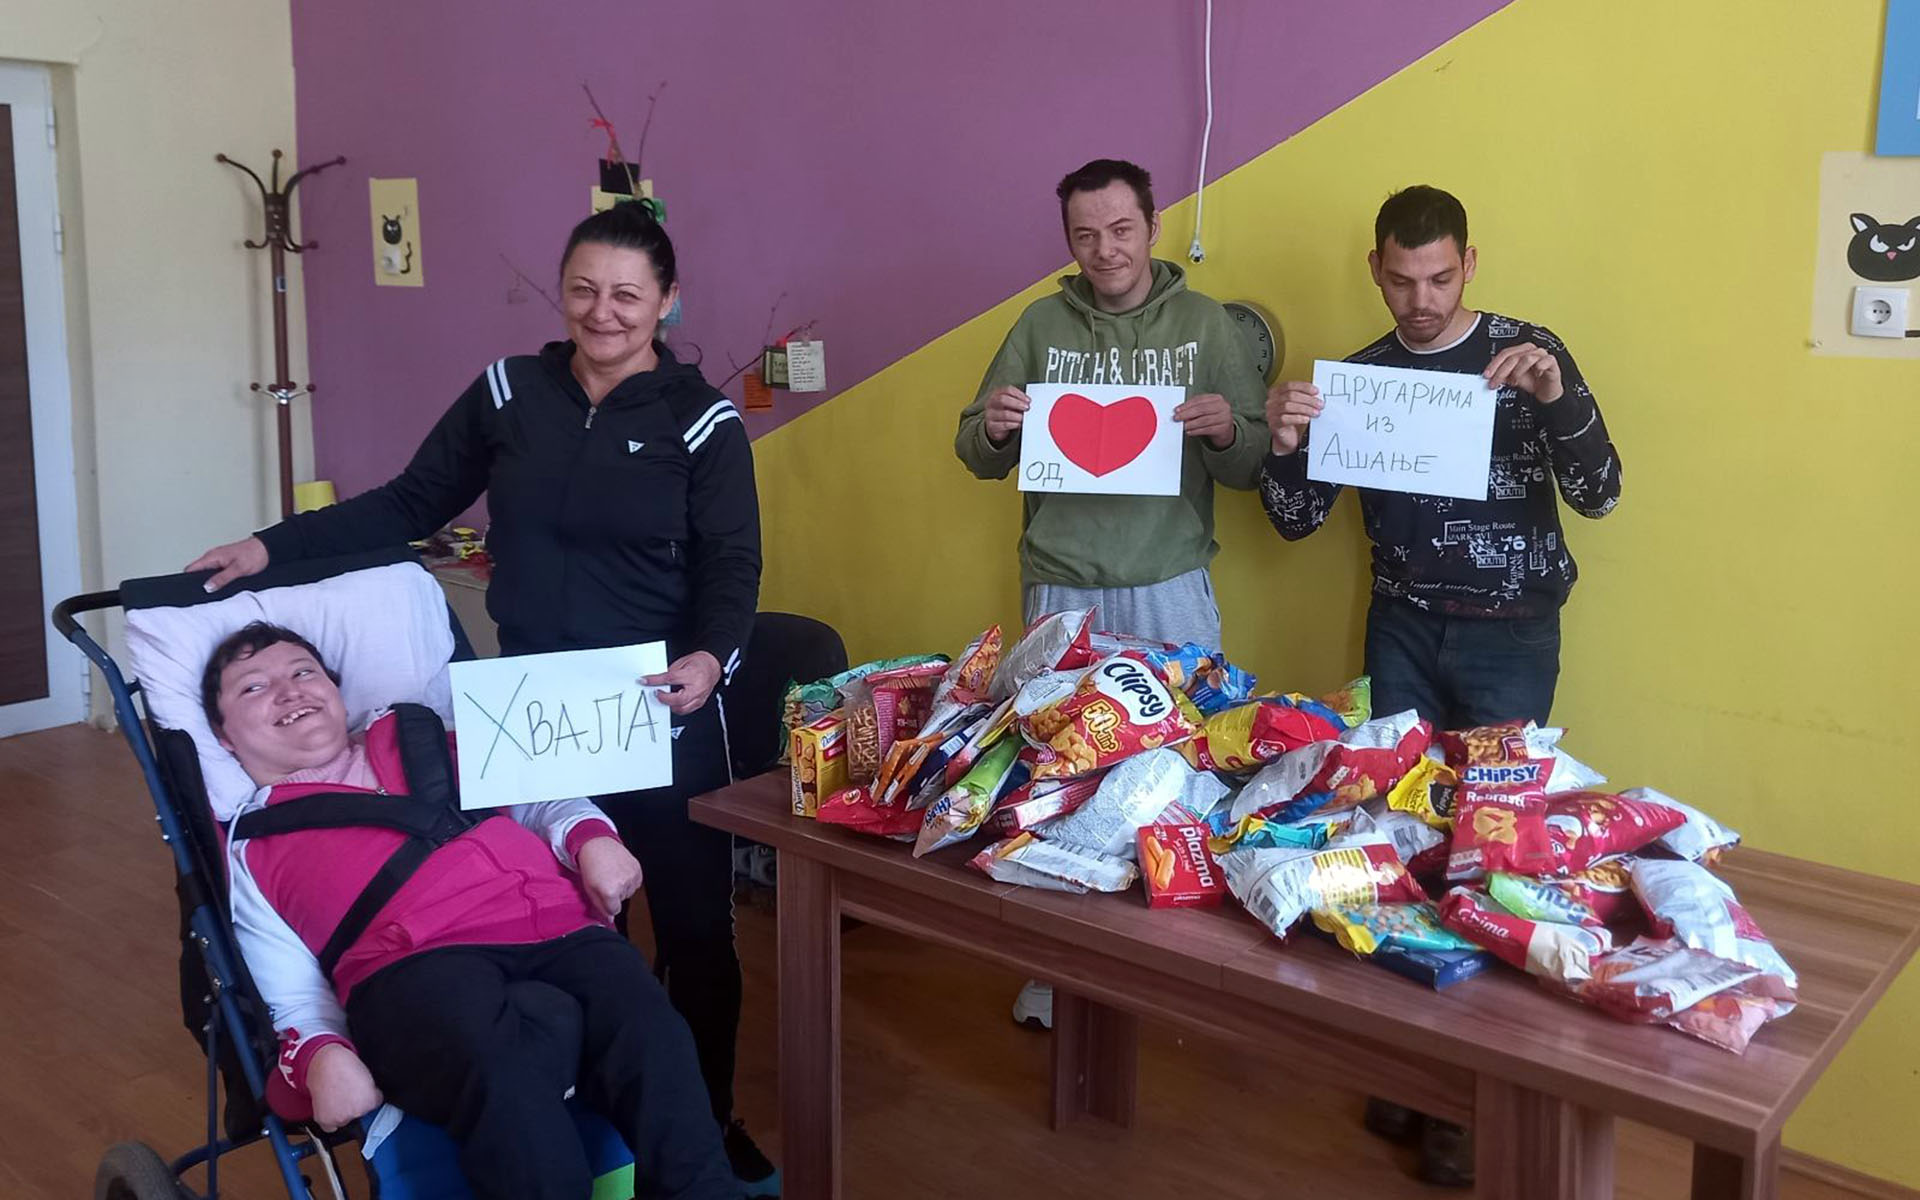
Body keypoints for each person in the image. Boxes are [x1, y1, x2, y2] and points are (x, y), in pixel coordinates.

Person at [187, 202, 775, 1194]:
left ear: (667, 301)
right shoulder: (509, 392)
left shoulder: (701, 422)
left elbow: (733, 563)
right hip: (531, 707)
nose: (603, 312)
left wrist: (712, 658)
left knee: (691, 934)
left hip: (658, 706)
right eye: (583, 289)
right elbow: (410, 502)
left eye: (627, 294)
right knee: (555, 914)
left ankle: (705, 1129)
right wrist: (268, 549)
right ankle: (584, 1142)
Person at [1259, 184, 1623, 1186]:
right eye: (1401, 280)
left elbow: (1601, 492)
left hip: (1513, 638)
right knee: (1398, 845)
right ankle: (1412, 1072)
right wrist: (1284, 443)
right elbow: (1294, 520)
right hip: (1404, 630)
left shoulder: (1527, 357)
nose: (1420, 300)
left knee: (1493, 853)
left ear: (1469, 264)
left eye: (1438, 278)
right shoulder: (1362, 378)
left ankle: (1471, 1095)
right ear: (1375, 270)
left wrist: (1557, 397)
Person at [209, 622, 740, 1200]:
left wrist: (592, 837)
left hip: (558, 926)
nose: (289, 691)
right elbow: (288, 987)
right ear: (224, 735)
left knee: (651, 1031)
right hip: (412, 964)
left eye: (303, 671)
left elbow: (542, 798)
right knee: (498, 1065)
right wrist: (322, 1053)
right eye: (253, 687)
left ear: (336, 689)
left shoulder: (433, 738)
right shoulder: (252, 845)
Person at [955, 157, 1269, 1030]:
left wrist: (1227, 431)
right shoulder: (1039, 323)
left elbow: (1251, 465)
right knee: (1057, 779)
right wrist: (994, 427)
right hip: (1061, 587)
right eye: (1085, 235)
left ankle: (1174, 970)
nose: (1106, 250)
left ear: (1155, 227)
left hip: (1171, 584)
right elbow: (974, 451)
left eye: (1122, 229)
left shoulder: (1205, 324)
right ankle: (1055, 973)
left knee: (1179, 777)